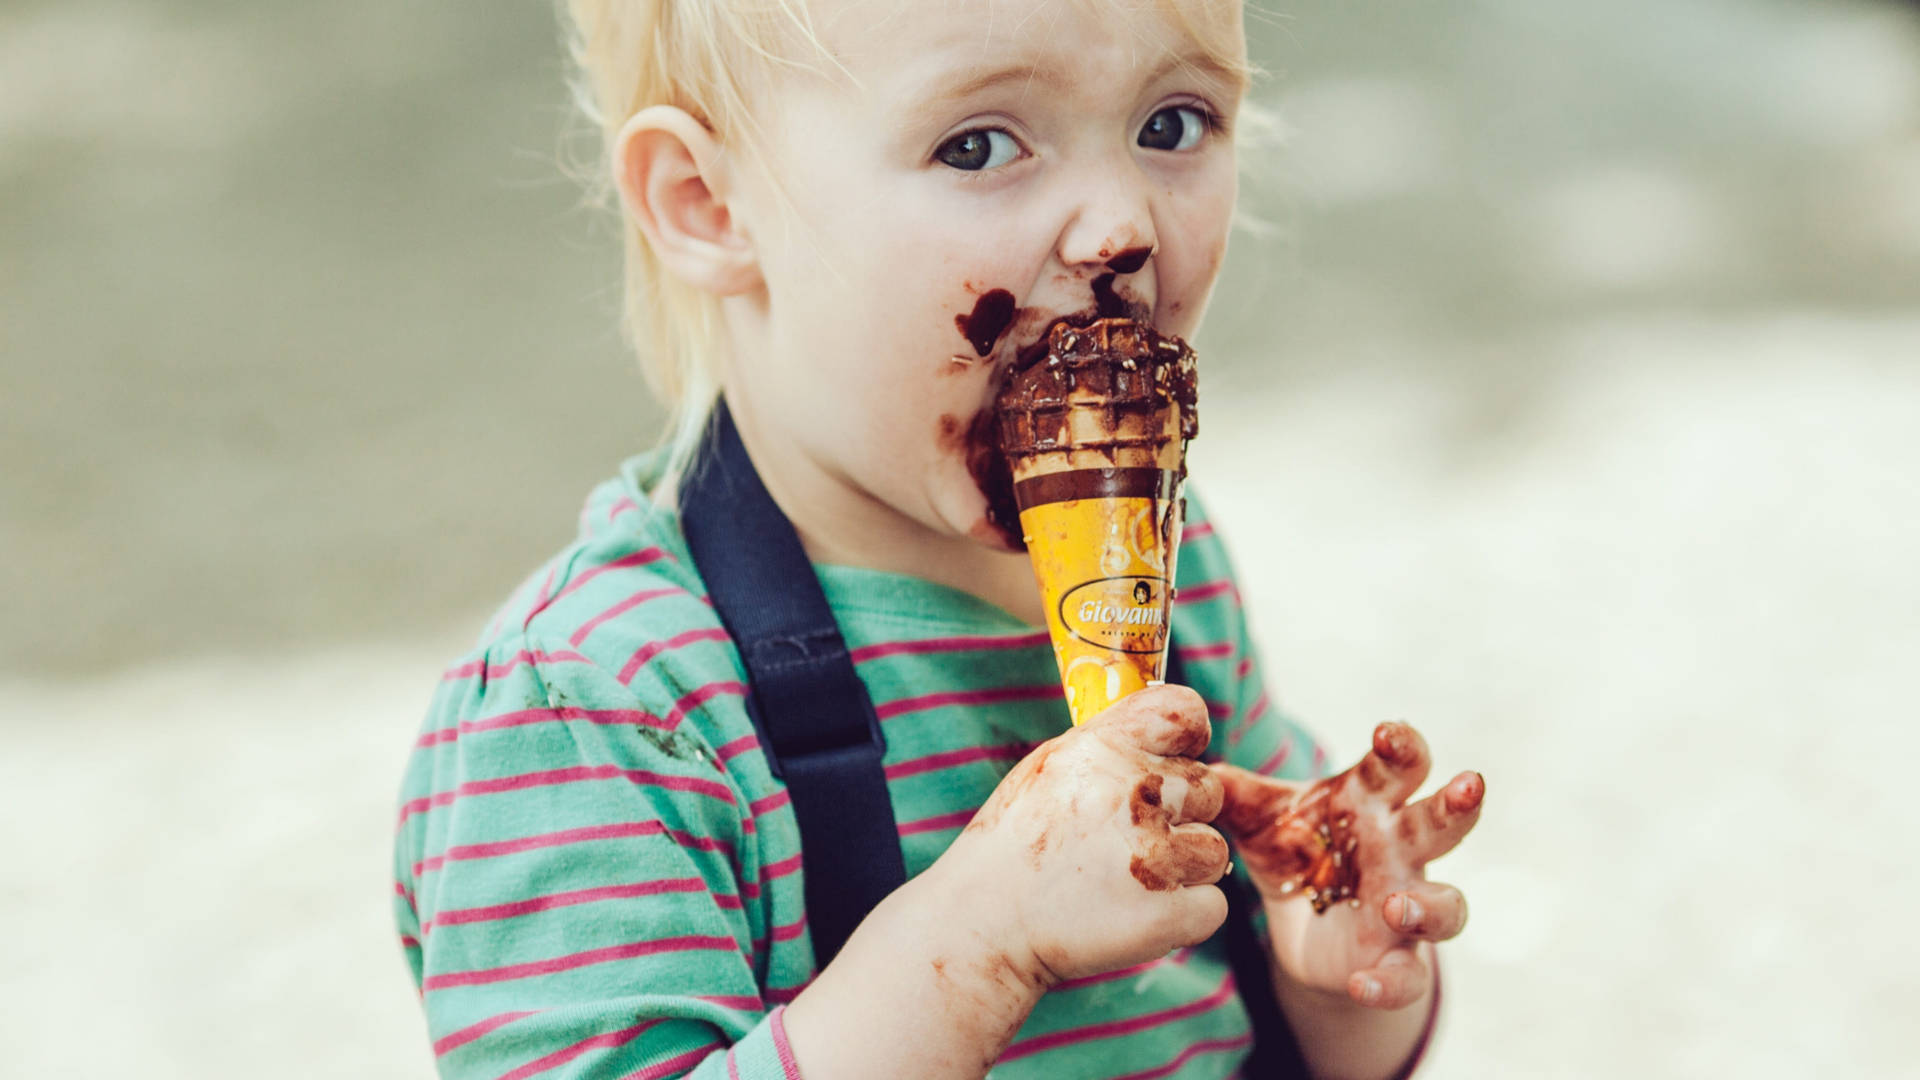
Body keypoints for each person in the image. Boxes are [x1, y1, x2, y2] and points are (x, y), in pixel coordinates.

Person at [391, 1, 1487, 1077]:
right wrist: (976, 944)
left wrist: (1330, 968)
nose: (1121, 226)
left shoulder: (1172, 570)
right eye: (978, 145)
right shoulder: (603, 707)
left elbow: (1293, 1037)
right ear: (709, 205)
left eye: (1172, 125)